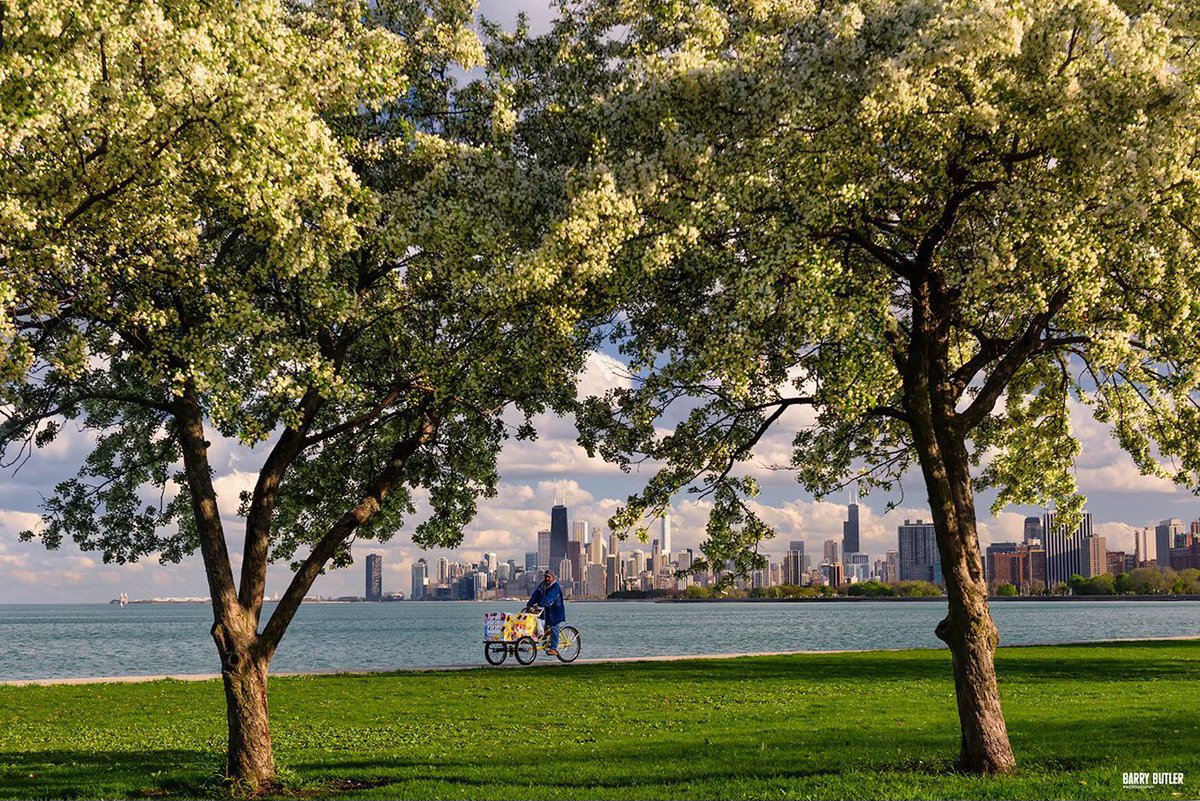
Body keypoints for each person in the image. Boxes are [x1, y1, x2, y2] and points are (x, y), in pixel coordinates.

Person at [526, 569, 566, 656]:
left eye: (549, 577)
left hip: (556, 611)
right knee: (540, 624)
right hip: (547, 611)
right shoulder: (543, 585)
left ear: (553, 577)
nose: (547, 578)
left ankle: (554, 648)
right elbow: (536, 595)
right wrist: (529, 604)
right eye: (546, 577)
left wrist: (540, 604)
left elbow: (549, 598)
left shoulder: (555, 588)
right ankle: (544, 637)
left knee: (554, 625)